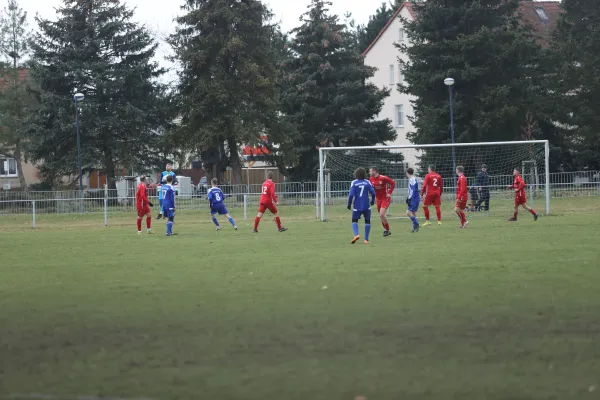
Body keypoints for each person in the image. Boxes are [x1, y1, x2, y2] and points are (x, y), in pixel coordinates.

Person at [348, 167, 376, 244]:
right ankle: (366, 240)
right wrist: (372, 201)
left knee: (354, 220)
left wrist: (349, 204)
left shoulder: (354, 182)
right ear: (364, 174)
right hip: (366, 206)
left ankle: (356, 235)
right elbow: (373, 193)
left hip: (357, 205)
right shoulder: (367, 182)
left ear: (356, 174)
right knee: (367, 221)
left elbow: (351, 195)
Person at [368, 167, 396, 237]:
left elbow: (393, 183)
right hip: (378, 199)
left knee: (382, 214)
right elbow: (371, 188)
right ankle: (386, 230)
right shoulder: (371, 179)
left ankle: (387, 229)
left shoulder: (383, 178)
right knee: (381, 216)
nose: (369, 173)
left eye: (370, 171)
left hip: (385, 198)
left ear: (375, 171)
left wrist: (389, 192)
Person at [405, 168, 420, 233]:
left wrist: (409, 198)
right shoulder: (412, 179)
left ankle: (416, 223)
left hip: (414, 198)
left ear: (407, 173)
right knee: (413, 213)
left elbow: (412, 190)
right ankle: (415, 228)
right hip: (415, 198)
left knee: (408, 212)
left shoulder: (412, 179)